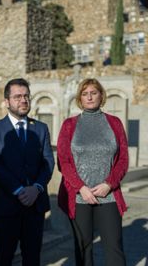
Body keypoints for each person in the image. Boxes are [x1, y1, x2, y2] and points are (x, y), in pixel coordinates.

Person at [57, 78, 128, 266]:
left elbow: (123, 160)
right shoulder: (69, 125)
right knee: (83, 249)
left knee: (114, 247)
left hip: (109, 196)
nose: (89, 97)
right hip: (80, 197)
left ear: (101, 95)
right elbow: (63, 162)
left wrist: (109, 184)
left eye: (93, 92)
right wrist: (81, 188)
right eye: (85, 93)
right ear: (80, 98)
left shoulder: (114, 123)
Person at [0, 78, 54, 266]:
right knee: (4, 257)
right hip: (6, 203)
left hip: (35, 205)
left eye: (26, 96)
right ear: (7, 102)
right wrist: (19, 189)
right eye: (17, 97)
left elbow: (48, 162)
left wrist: (37, 188)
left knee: (32, 258)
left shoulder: (40, 129)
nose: (23, 100)